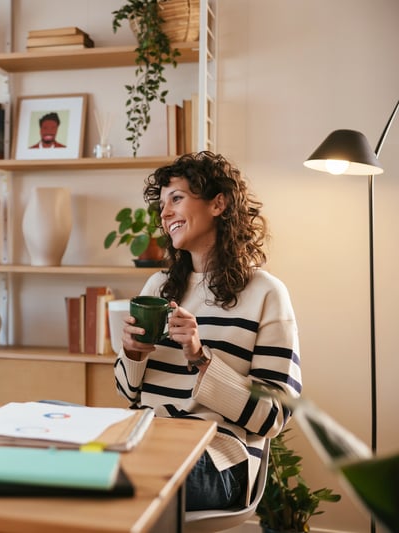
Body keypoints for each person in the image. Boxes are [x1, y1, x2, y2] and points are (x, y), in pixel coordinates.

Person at [115, 151, 302, 511]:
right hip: (148, 440)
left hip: (217, 456)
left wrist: (201, 359)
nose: (165, 213)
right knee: (48, 439)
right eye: (162, 203)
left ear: (218, 203)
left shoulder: (266, 294)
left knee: (116, 480)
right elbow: (128, 394)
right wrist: (133, 354)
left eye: (177, 198)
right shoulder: (158, 287)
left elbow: (273, 417)